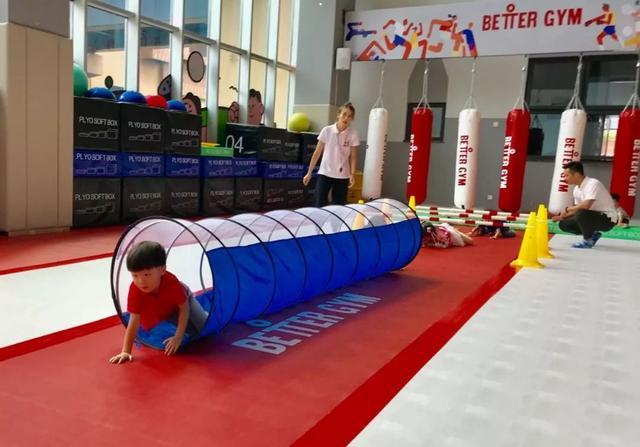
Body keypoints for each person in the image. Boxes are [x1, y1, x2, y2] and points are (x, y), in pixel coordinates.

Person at [109, 241, 208, 364]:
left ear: (162, 270)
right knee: (175, 340)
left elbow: (184, 308)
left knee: (204, 327)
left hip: (181, 300)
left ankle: (204, 313)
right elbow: (134, 320)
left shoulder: (171, 283)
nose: (140, 281)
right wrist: (126, 351)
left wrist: (178, 336)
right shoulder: (135, 289)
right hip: (164, 306)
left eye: (146, 274)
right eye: (135, 275)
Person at [303, 102, 360, 207]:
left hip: (342, 175)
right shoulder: (327, 130)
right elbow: (317, 153)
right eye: (344, 114)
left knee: (338, 207)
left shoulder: (353, 134)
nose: (346, 118)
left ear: (352, 119)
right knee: (319, 204)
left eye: (349, 116)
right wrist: (309, 172)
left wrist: (352, 174)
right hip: (325, 172)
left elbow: (353, 157)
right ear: (338, 115)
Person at [551, 161, 617, 248]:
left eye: (567, 175)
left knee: (581, 213)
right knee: (564, 224)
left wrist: (567, 209)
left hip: (607, 220)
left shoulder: (593, 183)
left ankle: (588, 241)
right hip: (591, 217)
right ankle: (593, 235)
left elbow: (585, 206)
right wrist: (562, 216)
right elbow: (577, 210)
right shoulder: (576, 189)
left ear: (577, 174)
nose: (564, 178)